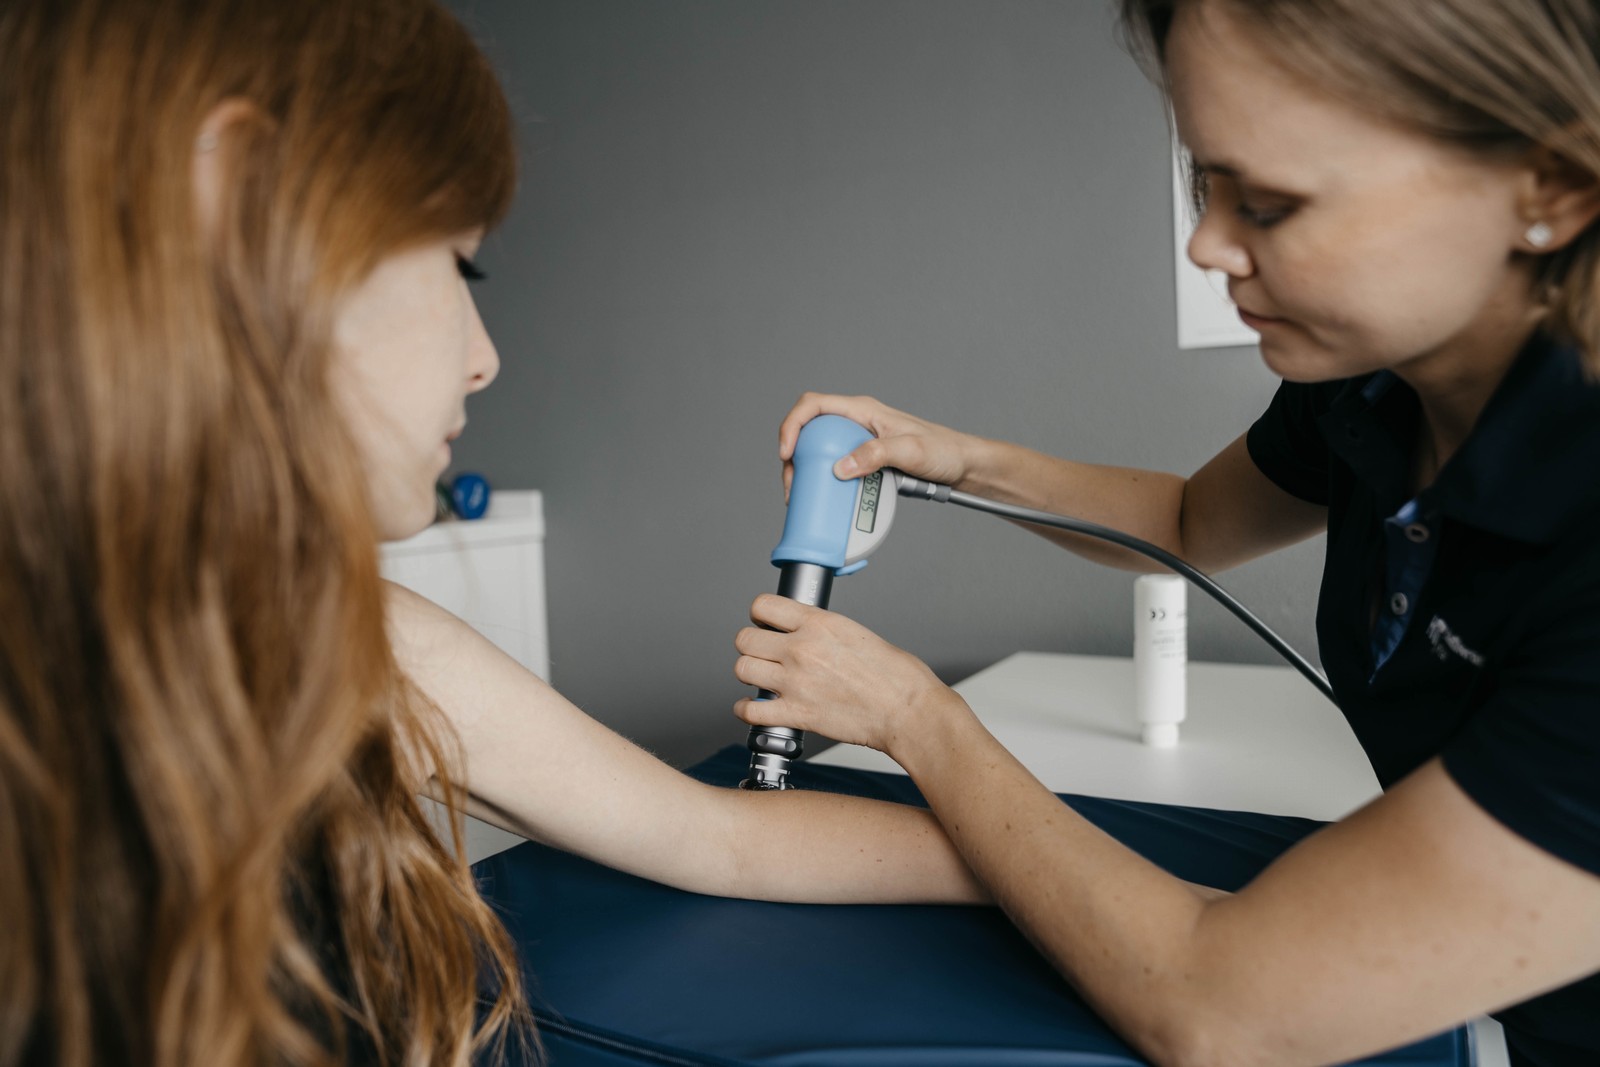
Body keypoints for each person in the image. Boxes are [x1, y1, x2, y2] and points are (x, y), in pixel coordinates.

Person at [0, 2, 992, 1065]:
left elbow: (722, 839)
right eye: (458, 268)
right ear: (236, 204)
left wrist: (1053, 874)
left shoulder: (343, 640)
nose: (486, 358)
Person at [735, 1, 1600, 1065]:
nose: (1205, 245)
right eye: (1206, 183)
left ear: (1551, 187)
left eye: (1269, 203)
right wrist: (953, 457)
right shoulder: (1373, 387)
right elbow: (1184, 521)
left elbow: (1221, 1014)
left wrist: (916, 717)